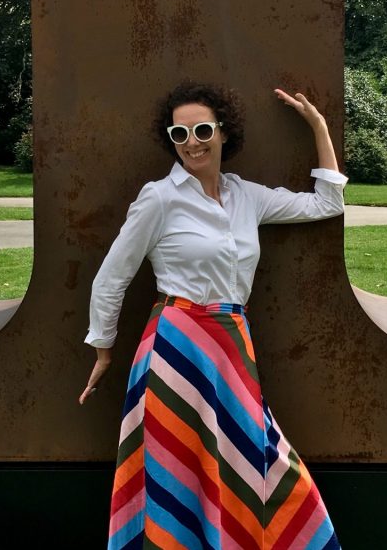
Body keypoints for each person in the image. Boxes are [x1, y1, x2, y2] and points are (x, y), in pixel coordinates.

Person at [80, 82, 346, 549]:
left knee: (257, 456)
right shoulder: (159, 198)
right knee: (176, 467)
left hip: (231, 345)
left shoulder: (247, 196)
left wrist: (319, 127)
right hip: (175, 348)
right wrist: (103, 346)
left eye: (202, 129)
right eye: (179, 135)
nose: (192, 142)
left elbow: (326, 204)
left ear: (223, 132)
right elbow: (111, 276)